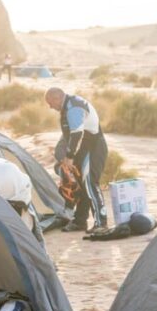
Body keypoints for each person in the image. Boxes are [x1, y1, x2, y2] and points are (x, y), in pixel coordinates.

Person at [44, 87, 109, 233]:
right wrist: (62, 156)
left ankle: (101, 223)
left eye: (50, 103)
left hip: (93, 148)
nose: (50, 107)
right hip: (83, 149)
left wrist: (69, 156)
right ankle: (80, 222)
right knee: (81, 185)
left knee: (90, 184)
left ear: (57, 98)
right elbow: (68, 136)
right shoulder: (67, 105)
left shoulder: (73, 107)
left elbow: (76, 134)